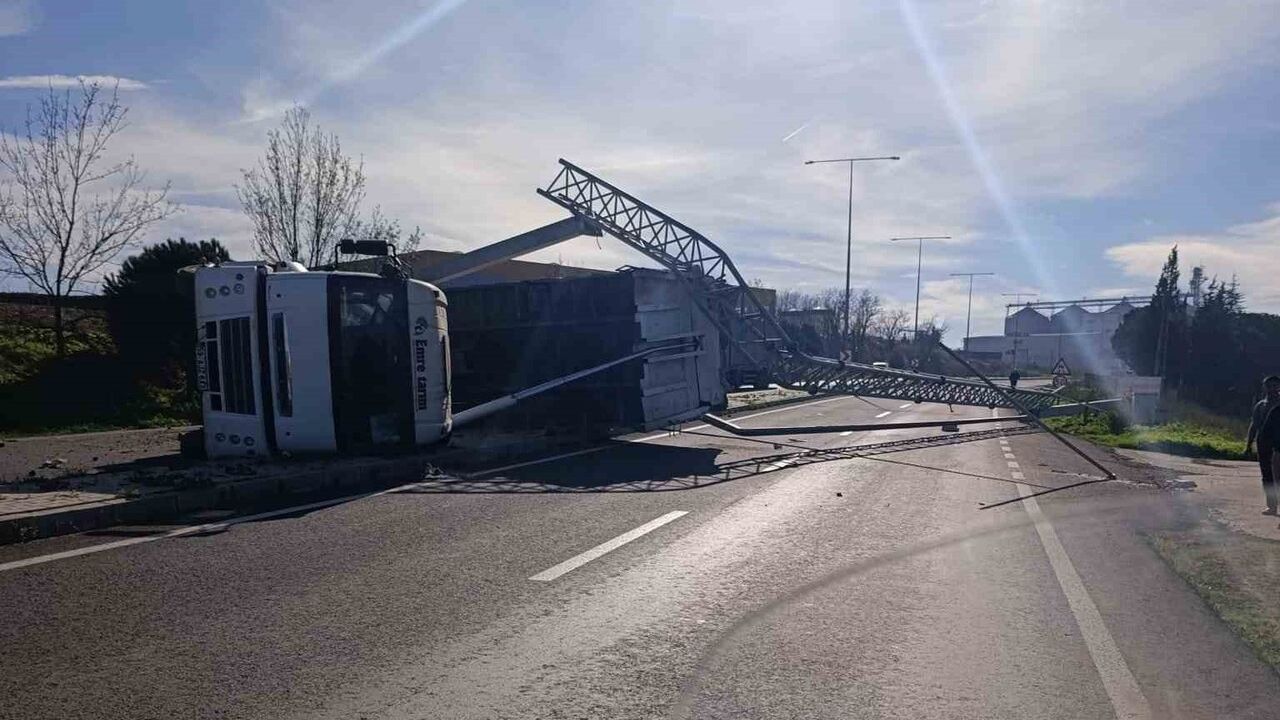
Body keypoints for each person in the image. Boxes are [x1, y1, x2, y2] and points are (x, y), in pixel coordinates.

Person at [1245, 375, 1280, 514]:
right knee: (1267, 475)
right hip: (1263, 444)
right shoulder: (1260, 405)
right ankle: (1271, 505)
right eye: (1269, 385)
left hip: (1278, 445)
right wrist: (1248, 444)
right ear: (1264, 387)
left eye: (1275, 385)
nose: (1272, 389)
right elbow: (1254, 425)